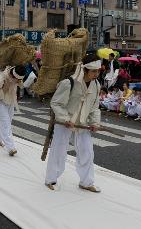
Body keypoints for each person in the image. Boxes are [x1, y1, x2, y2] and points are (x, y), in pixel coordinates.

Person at [45, 54, 101, 192]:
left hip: (82, 123)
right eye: (94, 71)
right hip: (65, 122)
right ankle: (51, 179)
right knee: (59, 150)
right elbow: (56, 103)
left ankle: (86, 182)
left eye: (98, 71)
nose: (96, 74)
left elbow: (95, 107)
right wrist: (65, 119)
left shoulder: (97, 85)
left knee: (87, 151)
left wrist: (95, 123)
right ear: (85, 70)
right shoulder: (69, 83)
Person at [0, 65, 26, 156]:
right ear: (12, 75)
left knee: (8, 121)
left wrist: (18, 82)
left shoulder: (17, 76)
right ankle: (11, 147)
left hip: (11, 100)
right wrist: (4, 91)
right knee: (5, 123)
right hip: (0, 101)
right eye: (16, 79)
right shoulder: (0, 78)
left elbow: (21, 85)